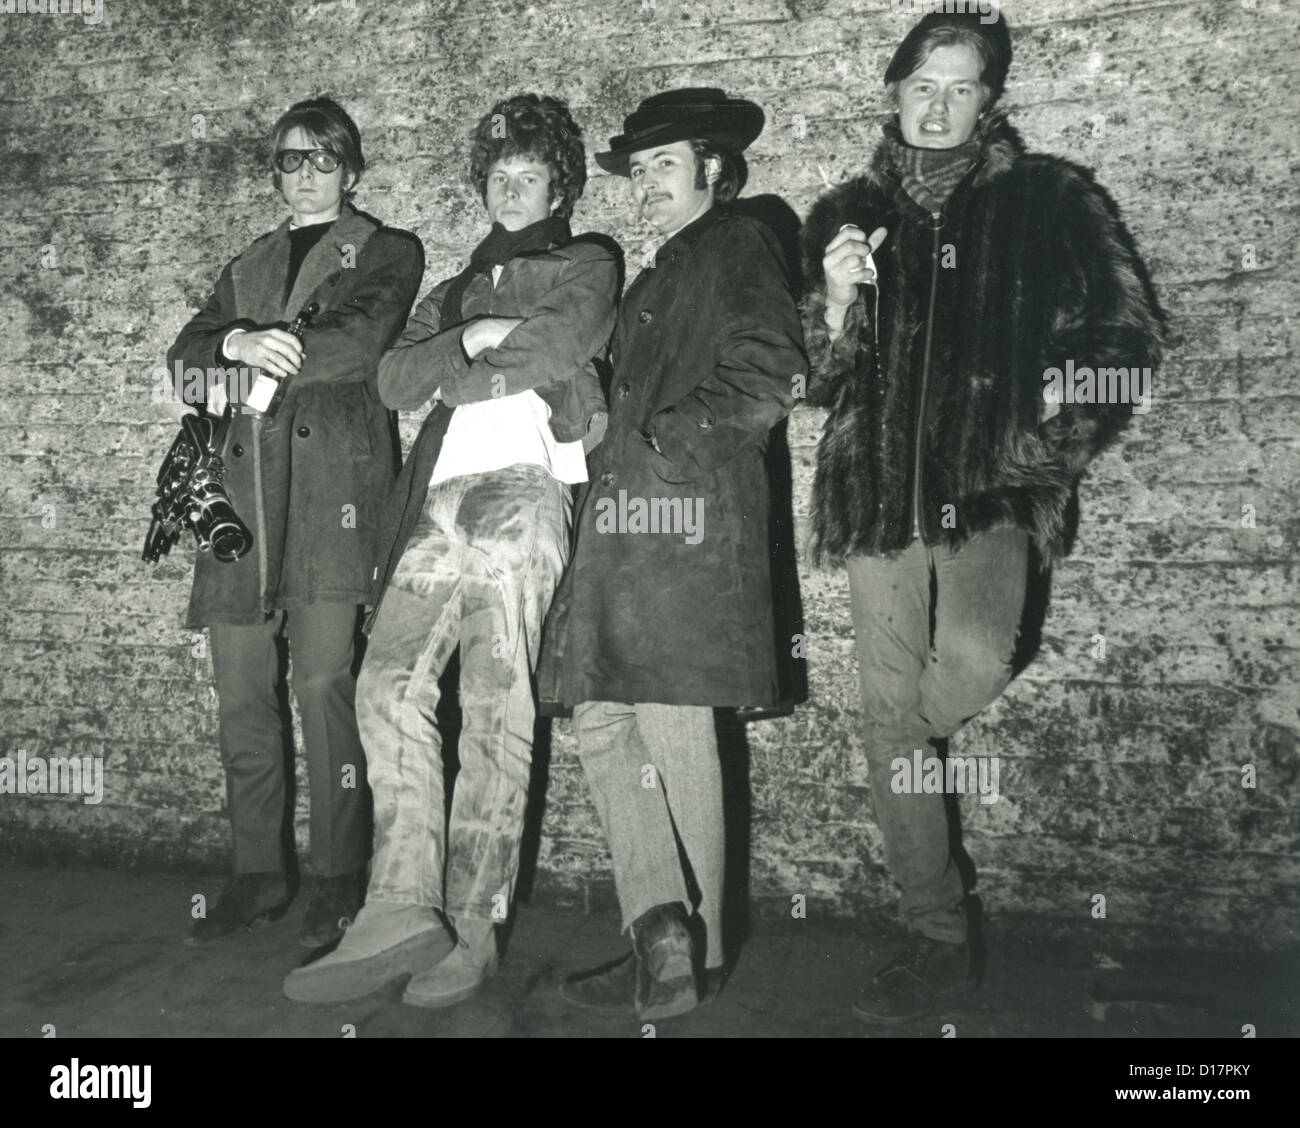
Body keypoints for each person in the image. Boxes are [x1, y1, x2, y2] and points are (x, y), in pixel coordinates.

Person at [801, 10, 1164, 1024]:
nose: (938, 105)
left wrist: (1048, 424)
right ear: (894, 93)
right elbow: (814, 380)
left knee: (974, 659)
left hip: (990, 495)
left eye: (961, 88)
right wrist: (834, 305)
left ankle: (896, 753)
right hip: (877, 499)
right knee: (888, 710)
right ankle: (936, 934)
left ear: (988, 102)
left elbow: (1127, 341)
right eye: (923, 85)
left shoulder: (1050, 201)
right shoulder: (846, 213)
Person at [283, 93, 616, 1009]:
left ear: (560, 188)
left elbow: (559, 344)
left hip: (525, 489)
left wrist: (460, 366)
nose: (511, 191)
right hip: (436, 500)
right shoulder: (455, 290)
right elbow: (393, 379)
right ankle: (400, 905)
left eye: (529, 177)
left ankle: (474, 926)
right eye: (499, 177)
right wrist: (471, 334)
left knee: (495, 709)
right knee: (384, 688)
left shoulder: (587, 261)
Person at [542, 88, 805, 1022]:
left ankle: (705, 946)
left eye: (666, 165)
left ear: (713, 170)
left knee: (675, 726)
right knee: (605, 721)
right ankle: (660, 930)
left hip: (686, 534)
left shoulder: (737, 244)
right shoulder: (658, 276)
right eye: (640, 169)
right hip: (628, 539)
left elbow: (769, 371)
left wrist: (662, 448)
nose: (646, 183)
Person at [167, 97, 424, 948]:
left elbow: (360, 345)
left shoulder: (387, 250)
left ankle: (339, 875)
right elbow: (185, 364)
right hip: (241, 503)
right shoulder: (248, 263)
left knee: (323, 685)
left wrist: (263, 355)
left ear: (351, 170)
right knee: (242, 694)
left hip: (329, 502)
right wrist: (234, 345)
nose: (305, 174)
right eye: (289, 159)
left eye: (322, 159)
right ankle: (257, 874)